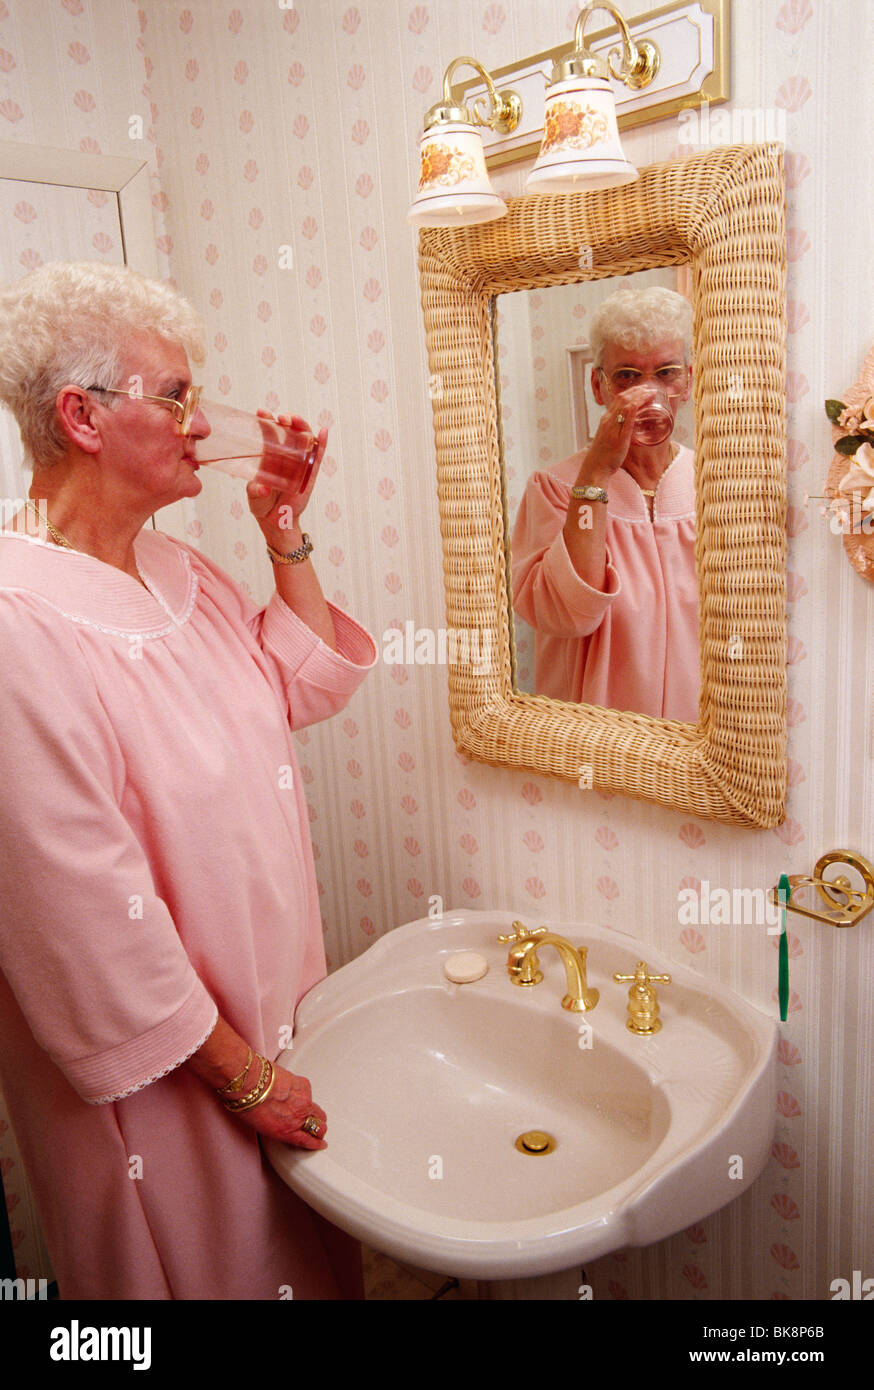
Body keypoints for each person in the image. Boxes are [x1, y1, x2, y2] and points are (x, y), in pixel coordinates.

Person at [0, 261, 377, 1299]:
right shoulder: (19, 622)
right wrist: (243, 1076)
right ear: (80, 415)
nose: (201, 424)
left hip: (269, 1006)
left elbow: (298, 686)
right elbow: (81, 920)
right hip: (161, 1069)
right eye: (174, 396)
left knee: (294, 1254)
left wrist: (283, 533)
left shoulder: (182, 571)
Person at [511, 286, 698, 722]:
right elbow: (566, 615)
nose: (648, 394)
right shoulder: (553, 489)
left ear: (688, 381)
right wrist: (596, 472)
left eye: (666, 373)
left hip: (695, 751)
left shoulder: (715, 486)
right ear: (599, 386)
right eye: (627, 376)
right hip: (596, 749)